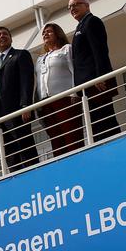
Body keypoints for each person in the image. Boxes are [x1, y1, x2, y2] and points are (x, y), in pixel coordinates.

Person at [0, 26, 38, 172]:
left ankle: (34, 173)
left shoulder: (21, 55)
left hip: (17, 110)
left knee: (24, 145)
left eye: (5, 34)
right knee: (9, 149)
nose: (2, 36)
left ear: (10, 38)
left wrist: (26, 105)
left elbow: (27, 82)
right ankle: (15, 177)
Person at [68, 0, 120, 141]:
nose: (72, 9)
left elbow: (100, 50)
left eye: (76, 4)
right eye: (70, 7)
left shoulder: (92, 22)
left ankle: (113, 145)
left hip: (97, 83)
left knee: (105, 119)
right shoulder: (80, 26)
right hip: (87, 86)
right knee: (96, 123)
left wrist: (100, 76)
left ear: (87, 5)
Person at [35, 22, 83, 157]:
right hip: (46, 102)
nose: (45, 34)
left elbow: (75, 70)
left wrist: (75, 92)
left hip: (65, 98)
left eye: (49, 31)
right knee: (56, 138)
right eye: (44, 33)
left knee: (71, 134)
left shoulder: (66, 49)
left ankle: (77, 160)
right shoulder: (40, 58)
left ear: (58, 33)